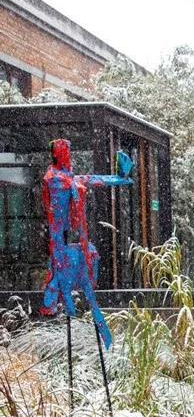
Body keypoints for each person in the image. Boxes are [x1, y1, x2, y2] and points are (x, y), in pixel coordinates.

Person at [40, 139, 133, 348]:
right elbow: (57, 219)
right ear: (57, 154)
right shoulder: (55, 180)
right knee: (74, 278)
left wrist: (118, 179)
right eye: (65, 152)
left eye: (69, 151)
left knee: (87, 265)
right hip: (62, 242)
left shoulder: (67, 178)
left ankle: (99, 338)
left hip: (70, 241)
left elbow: (91, 179)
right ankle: (84, 326)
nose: (69, 156)